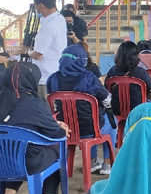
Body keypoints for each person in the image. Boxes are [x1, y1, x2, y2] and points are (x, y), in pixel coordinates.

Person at [0, 62, 69, 194]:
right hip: (26, 163)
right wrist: (60, 127)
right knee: (57, 150)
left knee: (16, 149)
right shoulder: (36, 104)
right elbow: (56, 134)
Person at [47, 44, 115, 176]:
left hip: (66, 129)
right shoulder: (89, 78)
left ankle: (92, 161)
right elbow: (107, 100)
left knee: (94, 119)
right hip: (90, 128)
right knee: (111, 123)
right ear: (81, 60)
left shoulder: (53, 79)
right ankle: (107, 163)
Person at [26, 0, 67, 99]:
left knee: (45, 111)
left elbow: (38, 55)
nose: (35, 9)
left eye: (35, 6)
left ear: (40, 6)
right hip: (55, 72)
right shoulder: (60, 18)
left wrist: (26, 51)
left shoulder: (48, 27)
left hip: (44, 77)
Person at [104, 41, 151, 117]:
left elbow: (107, 89)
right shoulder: (141, 72)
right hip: (138, 109)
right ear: (136, 56)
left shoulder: (112, 71)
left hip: (117, 109)